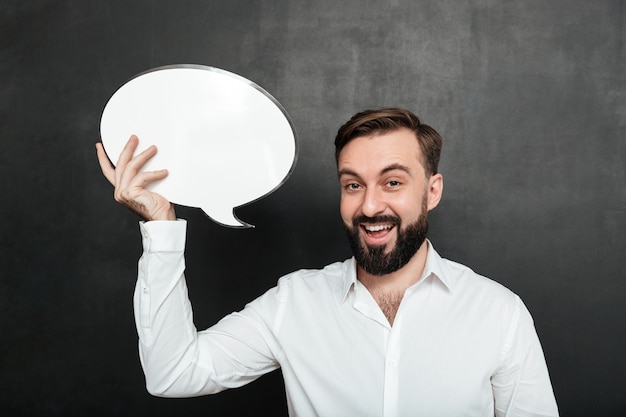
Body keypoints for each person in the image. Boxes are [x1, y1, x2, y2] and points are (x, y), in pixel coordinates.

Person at [96, 108, 559, 416]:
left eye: (393, 182)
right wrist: (160, 228)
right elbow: (172, 374)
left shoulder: (500, 314)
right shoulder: (294, 302)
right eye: (353, 184)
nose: (370, 205)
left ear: (432, 191)